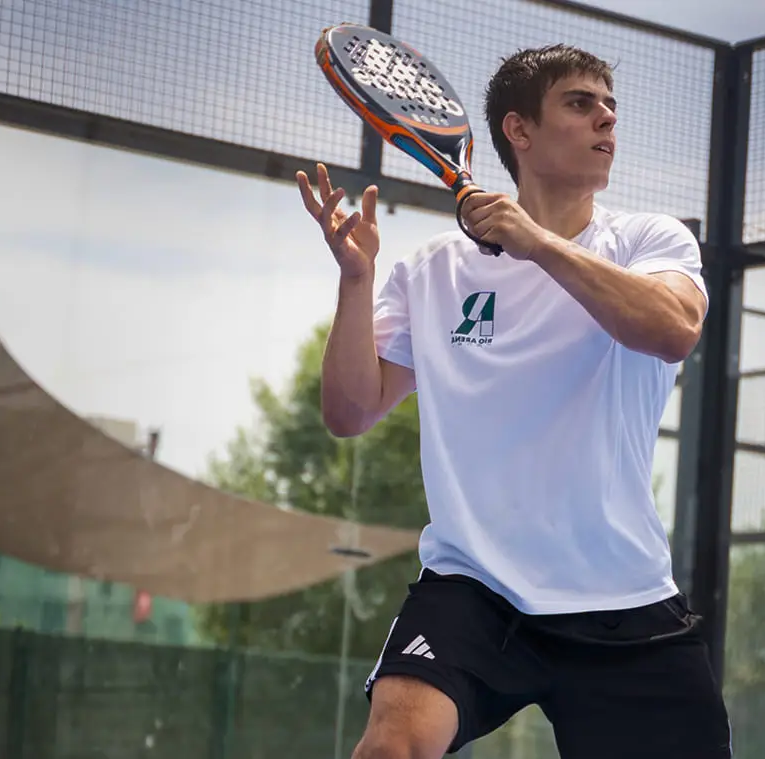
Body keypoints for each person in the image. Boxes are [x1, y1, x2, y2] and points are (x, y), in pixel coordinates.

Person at [296, 43, 731, 759]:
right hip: (474, 588)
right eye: (580, 101)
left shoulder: (651, 240)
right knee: (392, 746)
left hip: (620, 598)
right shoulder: (432, 270)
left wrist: (535, 244)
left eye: (610, 105)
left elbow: (673, 328)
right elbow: (351, 412)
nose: (606, 119)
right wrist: (355, 280)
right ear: (518, 130)